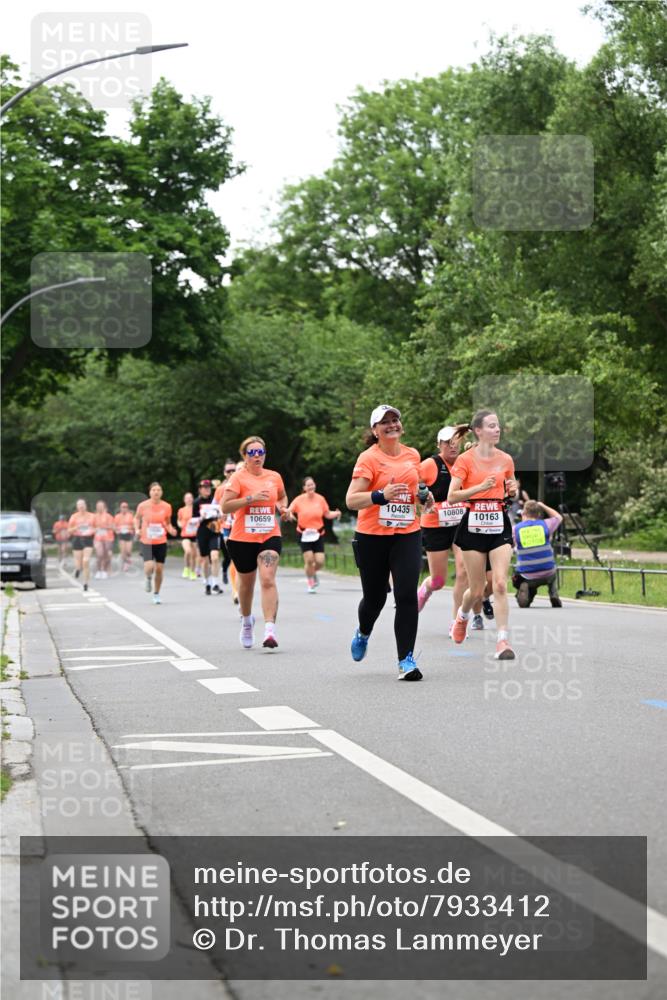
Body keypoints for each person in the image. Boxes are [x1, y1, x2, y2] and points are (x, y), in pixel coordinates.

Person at [345, 404, 433, 681]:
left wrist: (424, 498)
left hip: (407, 533)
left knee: (406, 595)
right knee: (375, 598)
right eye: (385, 422)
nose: (392, 425)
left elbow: (415, 493)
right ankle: (363, 631)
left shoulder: (412, 455)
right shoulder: (368, 459)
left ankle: (405, 660)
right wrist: (380, 495)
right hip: (372, 536)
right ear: (375, 430)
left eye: (395, 420)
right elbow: (351, 500)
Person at [448, 409, 519, 660]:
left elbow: (511, 487)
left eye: (498, 425)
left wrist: (512, 489)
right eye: (491, 426)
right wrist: (480, 487)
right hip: (473, 524)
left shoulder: (506, 459)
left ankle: (502, 641)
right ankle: (463, 616)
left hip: (499, 523)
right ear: (478, 431)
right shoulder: (465, 460)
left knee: (499, 583)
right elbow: (452, 496)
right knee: (476, 590)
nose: (497, 430)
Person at [221, 436, 291, 649]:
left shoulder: (274, 477)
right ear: (245, 455)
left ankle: (270, 629)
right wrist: (251, 498)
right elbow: (225, 507)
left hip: (269, 534)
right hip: (242, 538)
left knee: (268, 578)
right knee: (246, 585)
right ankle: (247, 621)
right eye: (252, 452)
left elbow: (282, 496)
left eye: (260, 452)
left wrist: (283, 508)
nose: (257, 456)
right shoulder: (238, 478)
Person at [416, 424, 470, 632]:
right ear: (439, 445)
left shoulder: (466, 463)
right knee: (439, 580)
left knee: (463, 571)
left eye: (456, 442)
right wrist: (423, 501)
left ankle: (456, 621)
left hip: (460, 524)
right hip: (434, 525)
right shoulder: (429, 465)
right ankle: (426, 590)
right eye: (448, 442)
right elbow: (413, 487)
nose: (453, 446)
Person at [287, 476, 341, 592]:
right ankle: (310, 582)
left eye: (312, 484)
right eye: (308, 485)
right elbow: (289, 511)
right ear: (304, 488)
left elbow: (327, 514)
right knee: (309, 560)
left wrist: (336, 514)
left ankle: (312, 573)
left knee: (320, 561)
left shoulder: (320, 499)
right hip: (304, 533)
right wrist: (290, 515)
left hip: (318, 533)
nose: (311, 487)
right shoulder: (299, 500)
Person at [512, 500, 563, 608]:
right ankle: (553, 592)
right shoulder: (545, 525)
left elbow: (509, 546)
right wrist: (543, 505)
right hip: (548, 573)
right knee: (553, 572)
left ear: (523, 513)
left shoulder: (516, 529)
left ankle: (525, 587)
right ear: (538, 514)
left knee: (516, 577)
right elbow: (559, 517)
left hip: (527, 575)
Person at [134, 483, 176, 604]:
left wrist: (171, 530)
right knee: (149, 567)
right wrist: (137, 529)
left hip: (161, 540)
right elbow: (136, 518)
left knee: (159, 569)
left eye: (158, 490)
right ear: (150, 492)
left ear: (161, 492)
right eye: (153, 490)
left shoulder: (167, 506)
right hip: (147, 540)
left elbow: (167, 522)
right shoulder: (143, 506)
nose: (156, 492)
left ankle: (156, 593)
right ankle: (148, 578)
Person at [192, 479, 223, 595]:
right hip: (203, 532)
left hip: (214, 530)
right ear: (200, 489)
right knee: (205, 560)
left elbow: (221, 512)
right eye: (204, 487)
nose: (207, 489)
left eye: (209, 487)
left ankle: (215, 583)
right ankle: (208, 583)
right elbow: (192, 519)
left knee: (214, 557)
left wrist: (219, 514)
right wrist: (201, 517)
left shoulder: (215, 500)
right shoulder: (196, 502)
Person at [215, 461, 237, 586]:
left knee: (236, 556)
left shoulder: (243, 485)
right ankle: (225, 571)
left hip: (239, 525)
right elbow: (213, 506)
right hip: (225, 527)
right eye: (229, 471)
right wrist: (220, 512)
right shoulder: (220, 490)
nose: (231, 472)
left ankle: (236, 588)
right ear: (224, 473)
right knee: (230, 554)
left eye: (233, 470)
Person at [67, 499, 95, 591]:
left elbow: (97, 527)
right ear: (77, 507)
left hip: (88, 539)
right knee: (79, 564)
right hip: (77, 539)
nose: (81, 507)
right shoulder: (74, 517)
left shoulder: (92, 516)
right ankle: (78, 569)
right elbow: (69, 530)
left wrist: (92, 530)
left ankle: (86, 583)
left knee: (85, 561)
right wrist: (76, 527)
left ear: (85, 506)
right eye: (79, 505)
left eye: (82, 505)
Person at [177, 491, 198, 580]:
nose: (189, 499)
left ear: (192, 499)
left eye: (190, 498)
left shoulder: (196, 509)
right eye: (187, 498)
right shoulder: (181, 510)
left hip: (195, 534)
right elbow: (178, 520)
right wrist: (179, 524)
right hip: (185, 534)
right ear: (184, 500)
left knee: (194, 554)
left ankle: (193, 572)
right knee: (188, 551)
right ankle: (186, 568)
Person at [93, 500, 115, 579]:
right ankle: (99, 571)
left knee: (107, 555)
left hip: (108, 538)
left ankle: (104, 571)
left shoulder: (108, 516)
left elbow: (113, 527)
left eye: (101, 506)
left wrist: (104, 527)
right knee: (99, 554)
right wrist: (95, 529)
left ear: (104, 507)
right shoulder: (94, 516)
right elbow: (91, 527)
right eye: (98, 506)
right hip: (98, 538)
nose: (99, 507)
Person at [114, 501, 135, 571]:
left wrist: (130, 528)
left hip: (129, 534)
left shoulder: (130, 516)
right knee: (123, 551)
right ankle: (125, 563)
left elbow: (134, 525)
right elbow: (114, 526)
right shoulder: (117, 516)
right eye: (123, 507)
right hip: (121, 534)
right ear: (120, 508)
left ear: (127, 508)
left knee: (128, 551)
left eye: (125, 507)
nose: (124, 508)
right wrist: (117, 530)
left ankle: (127, 559)